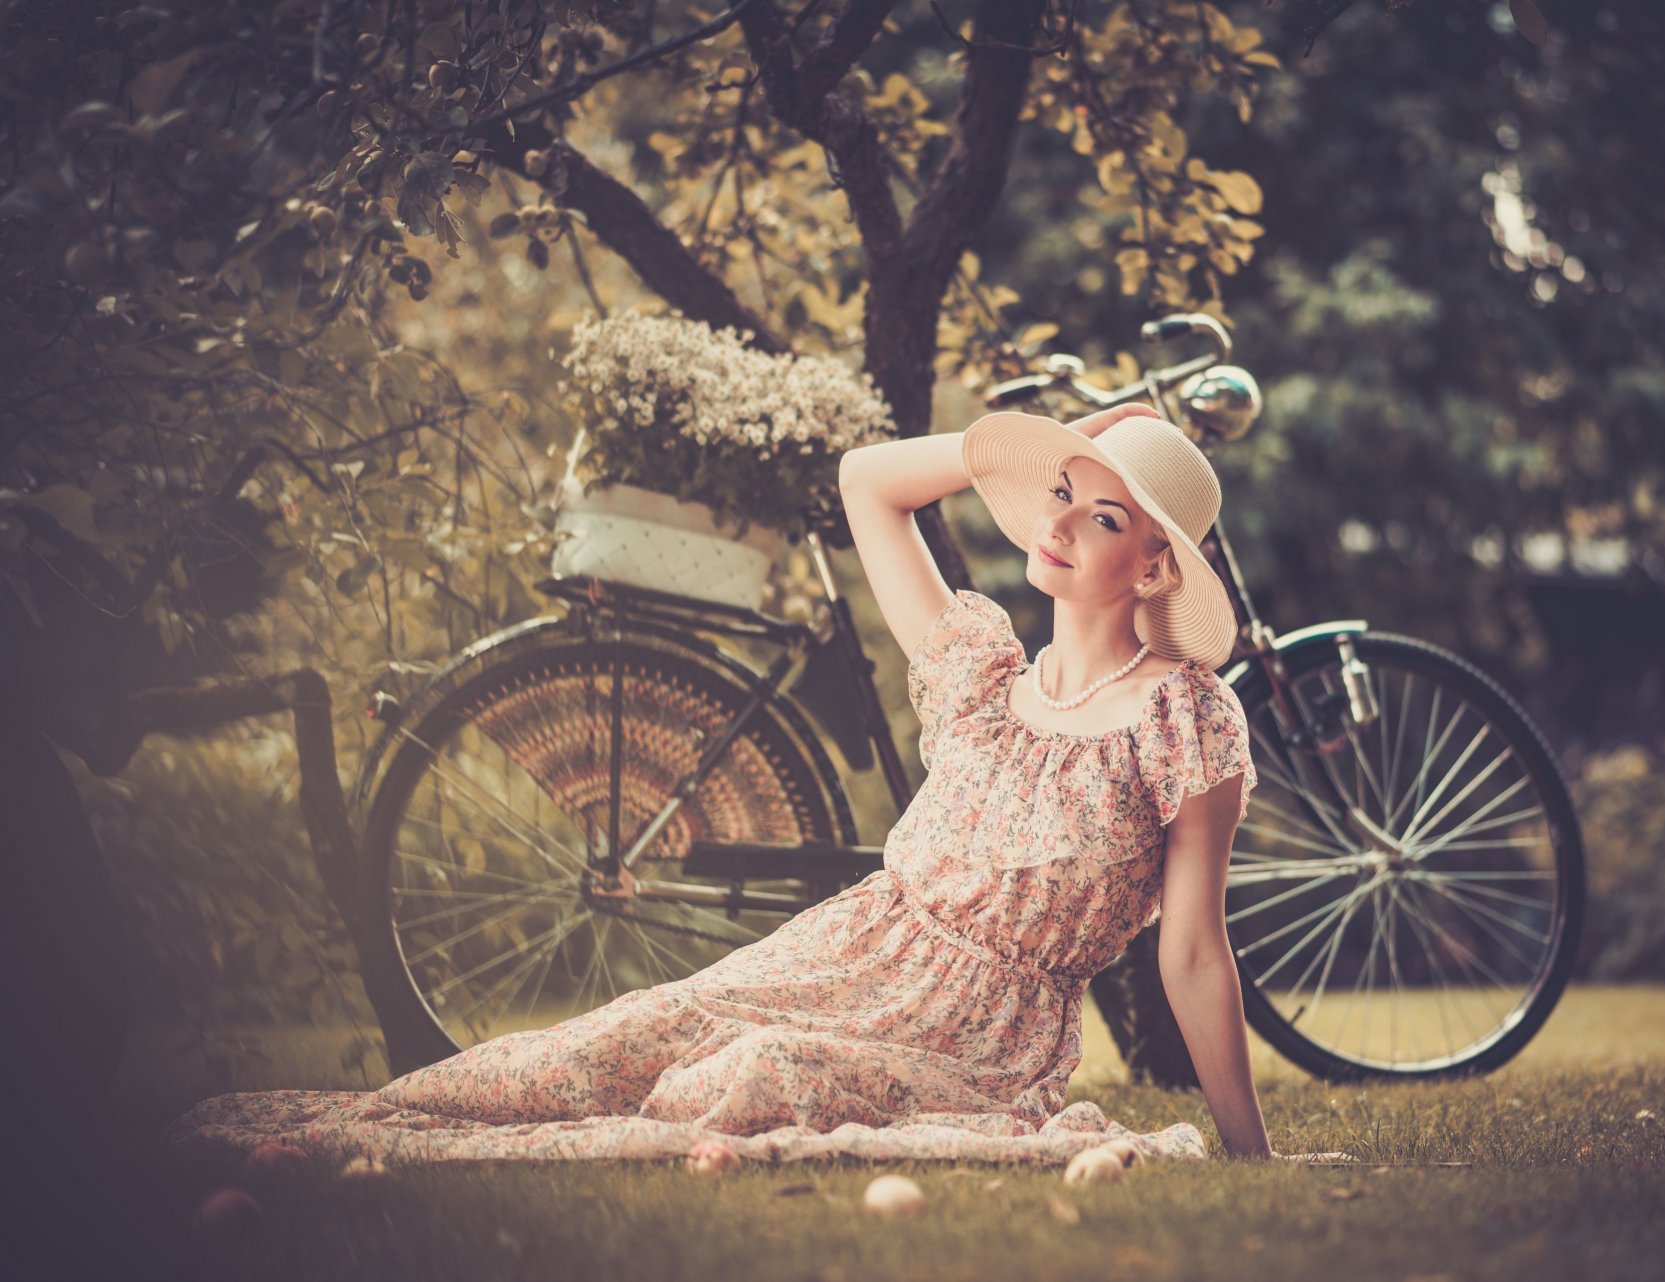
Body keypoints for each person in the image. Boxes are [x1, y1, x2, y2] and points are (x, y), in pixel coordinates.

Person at [160, 403, 1271, 1172]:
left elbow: (1191, 951)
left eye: (1106, 516)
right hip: (845, 953)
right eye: (1062, 494)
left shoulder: (1184, 722)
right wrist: (1044, 442)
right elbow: (869, 481)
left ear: (1159, 565)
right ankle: (389, 1124)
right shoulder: (981, 672)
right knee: (623, 1037)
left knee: (752, 1073)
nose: (1061, 521)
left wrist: (1250, 1149)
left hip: (981, 1036)